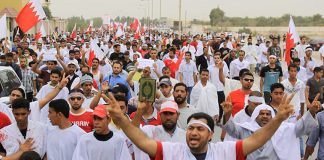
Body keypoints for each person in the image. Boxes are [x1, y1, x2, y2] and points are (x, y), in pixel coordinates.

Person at [105, 91, 298, 160]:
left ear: (210, 134)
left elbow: (256, 138)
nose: (193, 132)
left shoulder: (225, 152)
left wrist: (278, 119)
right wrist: (122, 120)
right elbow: (141, 140)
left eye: (199, 129)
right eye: (190, 128)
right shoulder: (173, 151)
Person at [221, 95, 320, 160]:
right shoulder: (247, 129)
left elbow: (302, 126)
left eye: (268, 114)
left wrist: (311, 111)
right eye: (262, 113)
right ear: (255, 116)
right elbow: (231, 129)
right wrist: (227, 114)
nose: (264, 116)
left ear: (272, 116)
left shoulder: (284, 128)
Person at [208, 52, 229, 118]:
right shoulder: (209, 68)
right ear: (213, 59)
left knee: (221, 105)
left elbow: (226, 78)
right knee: (213, 105)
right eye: (215, 58)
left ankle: (219, 119)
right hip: (212, 90)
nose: (216, 59)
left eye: (218, 58)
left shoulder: (224, 67)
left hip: (221, 89)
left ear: (220, 59)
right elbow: (208, 79)